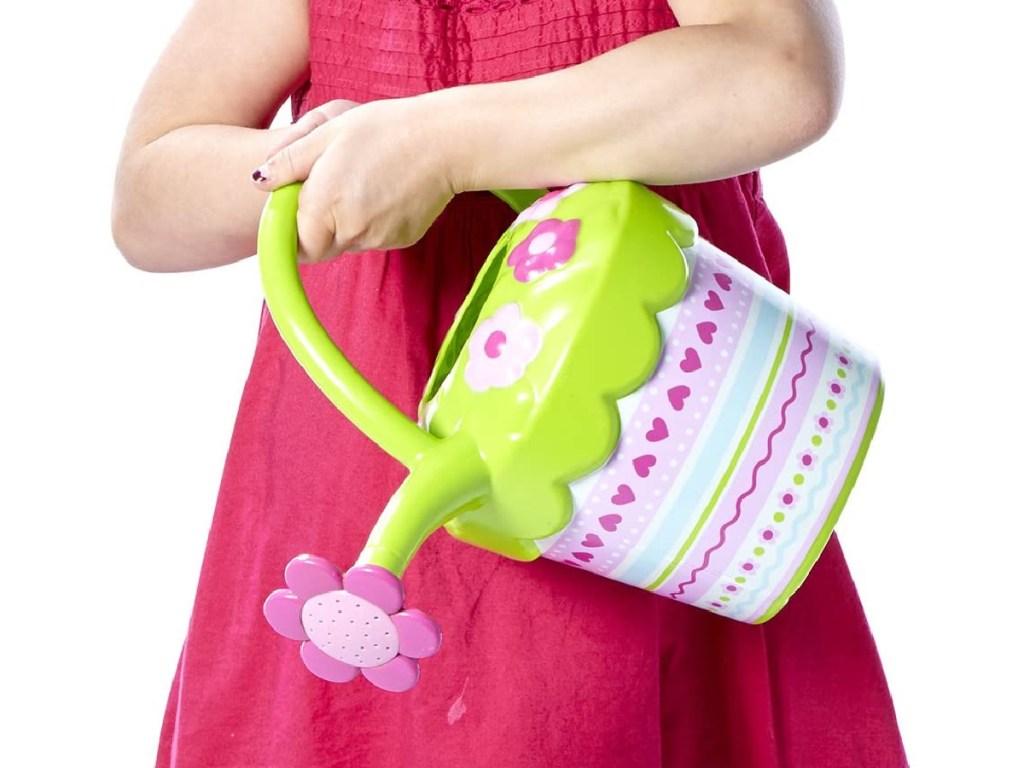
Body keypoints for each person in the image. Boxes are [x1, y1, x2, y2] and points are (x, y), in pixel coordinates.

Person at [112, 1, 908, 765]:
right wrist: (304, 173)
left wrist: (442, 142)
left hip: (647, 488)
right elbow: (148, 197)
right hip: (346, 500)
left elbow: (782, 67)